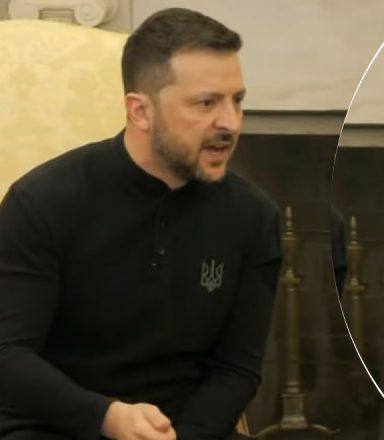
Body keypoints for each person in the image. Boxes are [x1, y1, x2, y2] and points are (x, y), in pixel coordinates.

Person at [0, 8, 282, 440]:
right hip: (57, 424)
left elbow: (236, 369)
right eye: (206, 103)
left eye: (237, 100)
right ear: (140, 112)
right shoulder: (42, 201)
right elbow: (9, 355)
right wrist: (107, 417)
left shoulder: (254, 216)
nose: (230, 122)